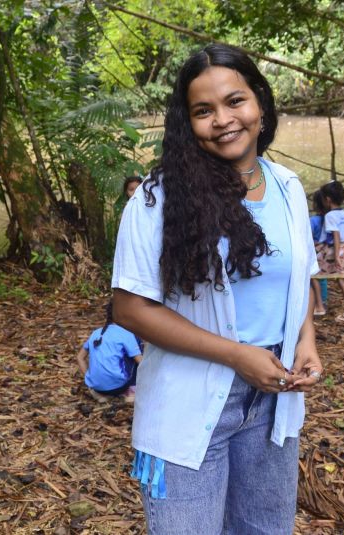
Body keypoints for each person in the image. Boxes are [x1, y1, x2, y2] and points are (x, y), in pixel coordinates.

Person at [110, 44, 322, 534]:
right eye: (204, 111)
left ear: (260, 105)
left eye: (235, 101)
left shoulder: (288, 186)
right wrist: (235, 355)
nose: (224, 119)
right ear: (188, 123)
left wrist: (306, 340)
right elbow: (130, 309)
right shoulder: (155, 200)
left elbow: (299, 278)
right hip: (193, 398)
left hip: (273, 393)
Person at [75, 302, 142, 401]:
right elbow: (140, 361)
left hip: (96, 387)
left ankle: (100, 394)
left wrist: (89, 377)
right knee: (136, 346)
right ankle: (131, 392)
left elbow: (80, 358)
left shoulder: (96, 333)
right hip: (119, 386)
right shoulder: (126, 334)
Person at [315, 181, 344, 322]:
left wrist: (336, 255)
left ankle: (319, 306)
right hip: (343, 248)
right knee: (343, 279)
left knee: (313, 273)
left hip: (334, 249)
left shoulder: (330, 216)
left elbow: (335, 235)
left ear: (327, 199)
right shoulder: (343, 213)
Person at [309, 190, 328, 316]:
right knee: (323, 277)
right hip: (326, 251)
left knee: (313, 277)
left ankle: (317, 302)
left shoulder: (313, 220)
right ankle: (324, 299)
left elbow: (307, 236)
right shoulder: (329, 218)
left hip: (315, 251)